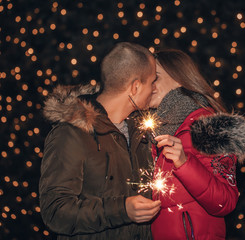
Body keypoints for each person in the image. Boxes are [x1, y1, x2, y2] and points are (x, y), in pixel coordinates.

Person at [39, 42, 161, 240]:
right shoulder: (71, 133)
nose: (155, 89)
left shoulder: (141, 135)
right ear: (135, 87)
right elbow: (55, 211)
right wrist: (122, 210)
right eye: (152, 82)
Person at [148, 49, 245, 240]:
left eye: (155, 77)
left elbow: (226, 201)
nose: (150, 85)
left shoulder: (209, 126)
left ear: (179, 78)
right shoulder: (150, 129)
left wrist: (184, 163)